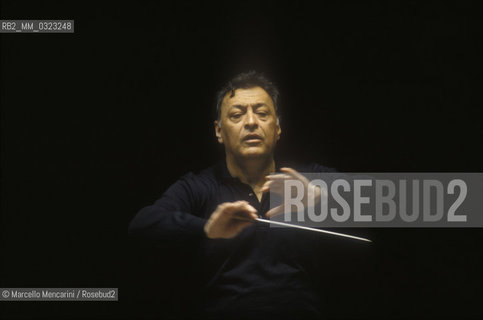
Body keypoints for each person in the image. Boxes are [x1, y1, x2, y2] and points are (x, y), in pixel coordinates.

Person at [128, 71, 338, 319]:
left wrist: (320, 198)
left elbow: (392, 205)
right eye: (237, 115)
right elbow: (142, 224)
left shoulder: (308, 178)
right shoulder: (200, 186)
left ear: (278, 128)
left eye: (262, 113)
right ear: (219, 131)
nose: (251, 122)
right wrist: (207, 228)